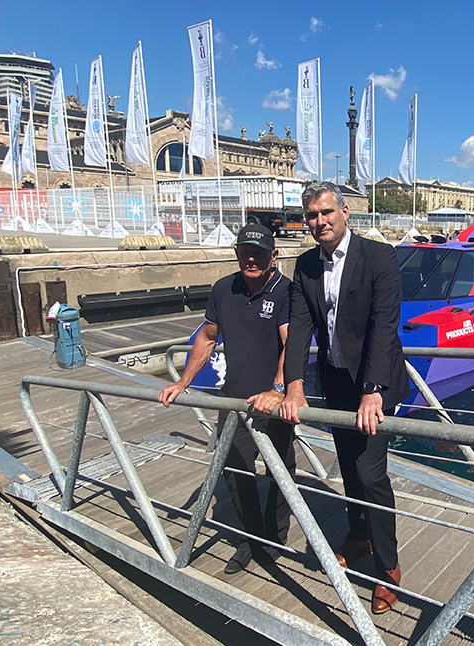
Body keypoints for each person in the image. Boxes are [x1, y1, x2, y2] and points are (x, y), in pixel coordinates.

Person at [279, 181, 410, 614]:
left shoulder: (379, 257)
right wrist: (294, 384)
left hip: (374, 384)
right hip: (334, 383)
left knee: (371, 474)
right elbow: (299, 326)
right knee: (349, 470)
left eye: (326, 213)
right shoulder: (304, 267)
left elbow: (383, 325)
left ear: (345, 211)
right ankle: (359, 534)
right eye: (312, 216)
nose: (320, 222)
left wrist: (372, 391)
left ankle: (388, 567)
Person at [159, 223, 294, 575]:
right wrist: (183, 382)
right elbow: (206, 337)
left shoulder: (285, 292)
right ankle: (251, 540)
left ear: (274, 256)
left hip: (274, 401)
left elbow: (291, 343)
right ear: (236, 254)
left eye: (260, 253)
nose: (252, 259)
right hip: (234, 398)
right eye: (245, 252)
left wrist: (277, 389)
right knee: (235, 469)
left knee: (280, 469)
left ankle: (275, 536)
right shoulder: (223, 289)